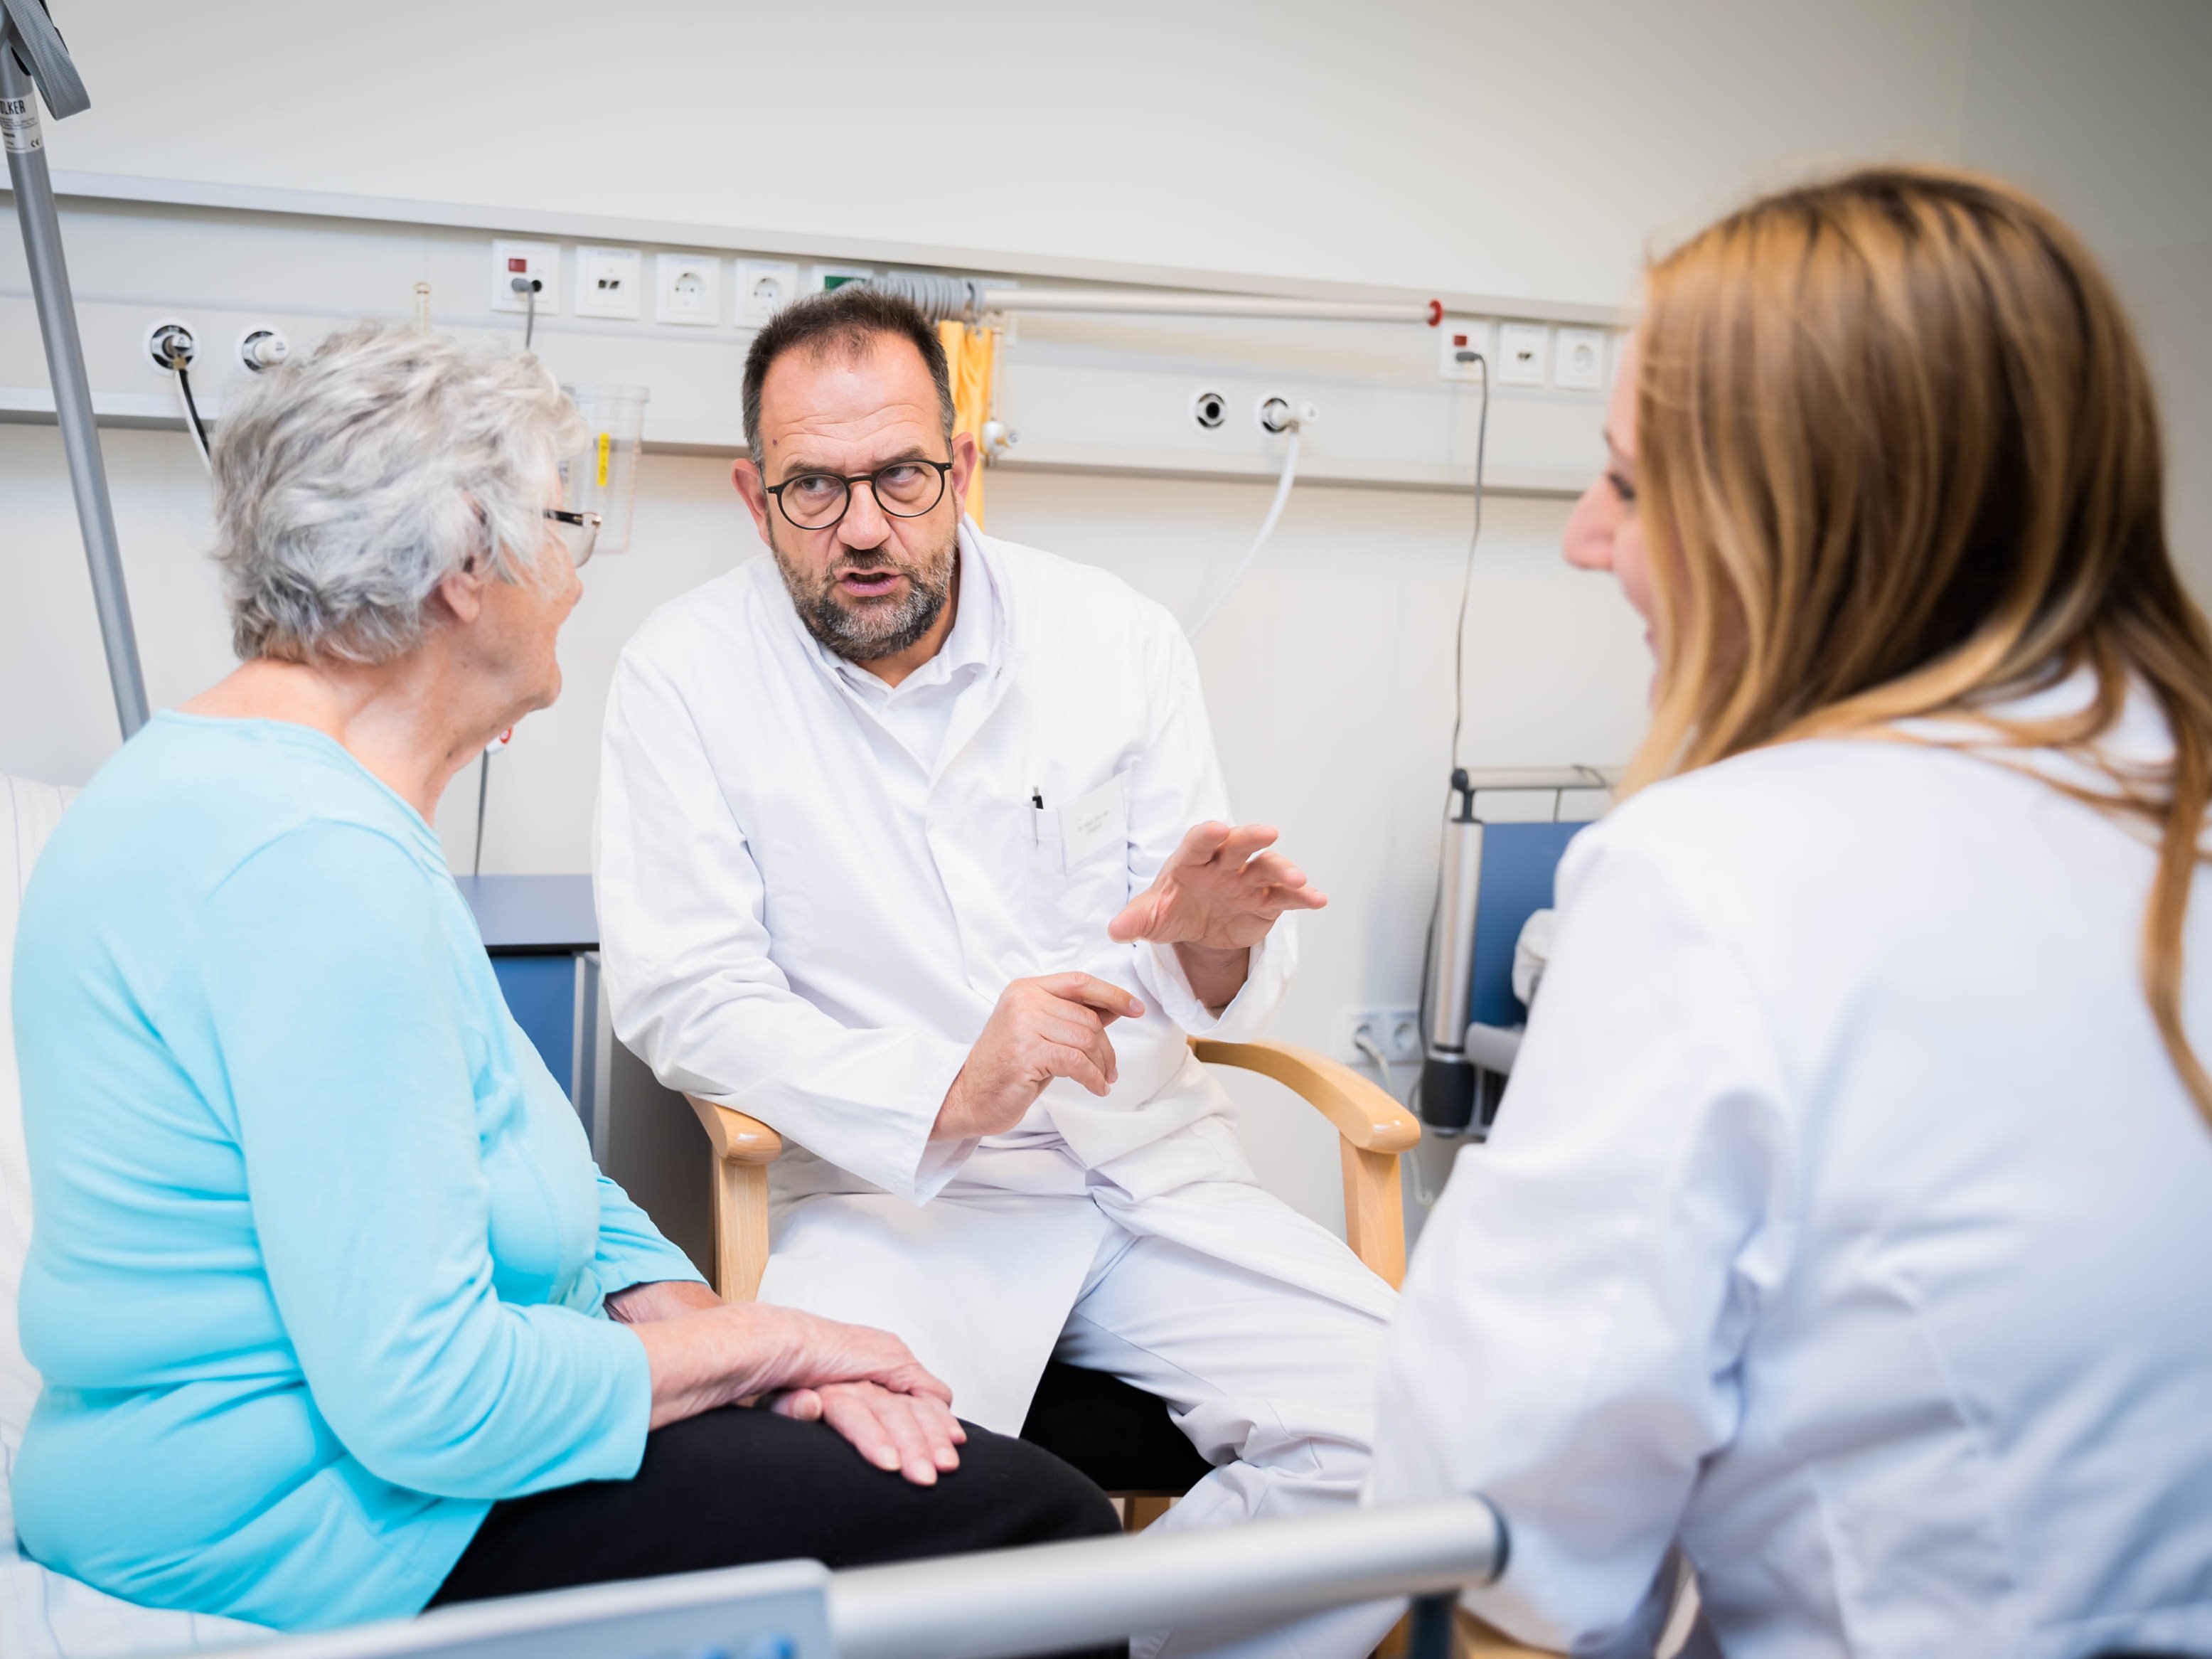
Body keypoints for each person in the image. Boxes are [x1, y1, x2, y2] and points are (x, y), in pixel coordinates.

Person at [9, 323, 1118, 1636]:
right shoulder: (314, 868)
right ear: (466, 564)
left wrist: (718, 1339)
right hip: (298, 1527)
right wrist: (787, 1343)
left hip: (261, 1488)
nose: (579, 581)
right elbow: (432, 1394)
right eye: (562, 521)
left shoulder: (229, 785)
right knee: (1042, 1532)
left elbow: (535, 1158)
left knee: (943, 1468)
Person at [1366, 167, 2212, 1656]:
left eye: (1626, 482)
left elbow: (1491, 1550)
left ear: (1797, 518)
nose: (1584, 537)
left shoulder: (1719, 876)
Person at [597, 287, 1401, 1659]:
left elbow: (1191, 953)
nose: (864, 525)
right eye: (813, 488)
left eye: (901, 475)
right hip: (900, 1196)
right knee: (852, 1517)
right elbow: (686, 993)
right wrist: (946, 1089)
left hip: (1151, 1174)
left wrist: (1216, 939)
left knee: (1432, 1430)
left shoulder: (1115, 637)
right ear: (753, 494)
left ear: (960, 465)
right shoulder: (684, 675)